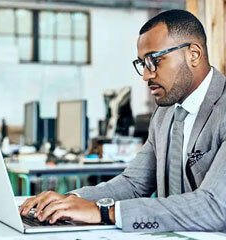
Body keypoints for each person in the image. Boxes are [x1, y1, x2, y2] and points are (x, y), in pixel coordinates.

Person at [20, 9, 226, 232]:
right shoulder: (165, 112)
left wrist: (105, 212)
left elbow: (214, 207)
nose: (146, 76)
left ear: (193, 54)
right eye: (142, 64)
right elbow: (134, 184)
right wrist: (68, 200)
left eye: (154, 60)